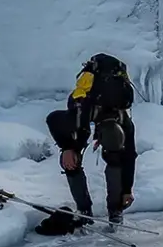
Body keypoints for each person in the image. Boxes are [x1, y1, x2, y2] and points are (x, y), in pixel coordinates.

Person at [38, 52, 139, 235]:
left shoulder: (121, 115)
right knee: (70, 159)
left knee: (115, 145)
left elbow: (129, 154)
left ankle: (114, 210)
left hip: (106, 126)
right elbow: (61, 122)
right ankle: (85, 210)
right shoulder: (82, 104)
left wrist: (127, 190)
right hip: (80, 118)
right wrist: (68, 148)